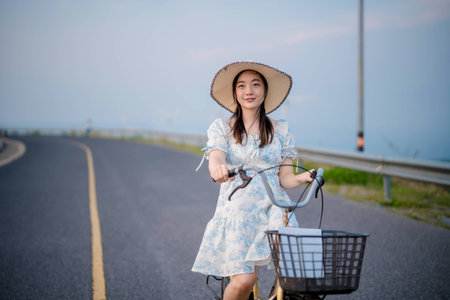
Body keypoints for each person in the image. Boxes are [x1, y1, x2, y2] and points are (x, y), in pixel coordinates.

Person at [192, 62, 313, 300]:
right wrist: (218, 167)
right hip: (239, 212)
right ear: (235, 93)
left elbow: (285, 178)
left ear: (265, 91)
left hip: (274, 208)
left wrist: (305, 177)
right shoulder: (222, 129)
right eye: (242, 86)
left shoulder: (280, 130)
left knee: (295, 269)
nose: (249, 91)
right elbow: (216, 158)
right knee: (245, 280)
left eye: (256, 85)